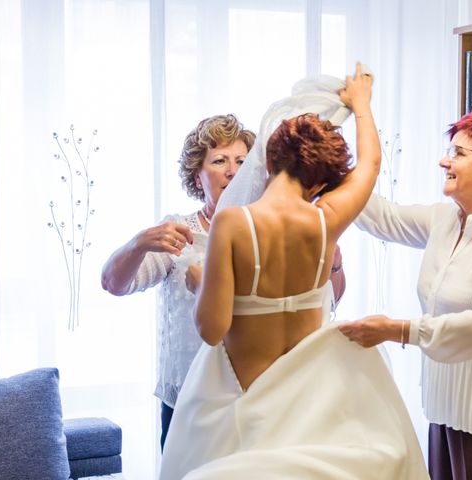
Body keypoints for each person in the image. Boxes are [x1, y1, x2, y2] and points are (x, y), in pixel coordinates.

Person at [159, 64, 428, 480]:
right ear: (321, 181)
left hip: (236, 414)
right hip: (306, 418)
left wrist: (199, 282)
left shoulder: (232, 223)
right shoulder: (327, 222)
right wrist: (362, 105)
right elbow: (371, 165)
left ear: (267, 160)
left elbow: (212, 330)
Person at [101, 114, 345, 450]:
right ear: (197, 178)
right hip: (189, 399)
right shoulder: (178, 233)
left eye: (242, 161)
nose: (233, 171)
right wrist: (139, 243)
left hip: (258, 397)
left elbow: (327, 300)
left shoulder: (274, 230)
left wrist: (333, 263)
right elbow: (114, 284)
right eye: (219, 161)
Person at [340, 107, 472, 480]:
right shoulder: (445, 219)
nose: (443, 161)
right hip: (446, 405)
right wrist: (330, 169)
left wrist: (398, 330)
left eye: (458, 153)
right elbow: (380, 217)